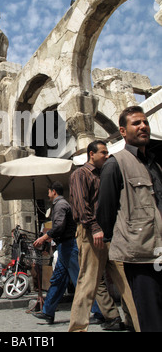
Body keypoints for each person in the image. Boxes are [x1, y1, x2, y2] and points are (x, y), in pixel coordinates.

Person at [97, 106, 162, 332]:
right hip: (139, 257)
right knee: (151, 320)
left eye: (145, 122)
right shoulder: (115, 164)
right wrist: (126, 238)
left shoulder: (155, 164)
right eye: (136, 123)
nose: (143, 126)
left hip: (160, 250)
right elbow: (104, 212)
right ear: (123, 131)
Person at [68, 140, 139, 332]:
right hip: (91, 233)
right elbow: (82, 206)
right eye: (103, 153)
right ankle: (77, 328)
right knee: (88, 282)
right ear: (92, 154)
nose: (107, 156)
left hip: (111, 232)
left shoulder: (104, 174)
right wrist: (94, 227)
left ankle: (138, 323)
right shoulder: (80, 174)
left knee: (125, 279)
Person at [32, 182, 102, 324]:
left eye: (49, 192)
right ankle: (48, 312)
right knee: (58, 280)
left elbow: (58, 226)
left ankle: (99, 312)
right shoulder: (60, 204)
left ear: (53, 192)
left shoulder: (60, 205)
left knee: (80, 280)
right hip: (64, 247)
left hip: (68, 246)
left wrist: (44, 237)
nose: (48, 194)